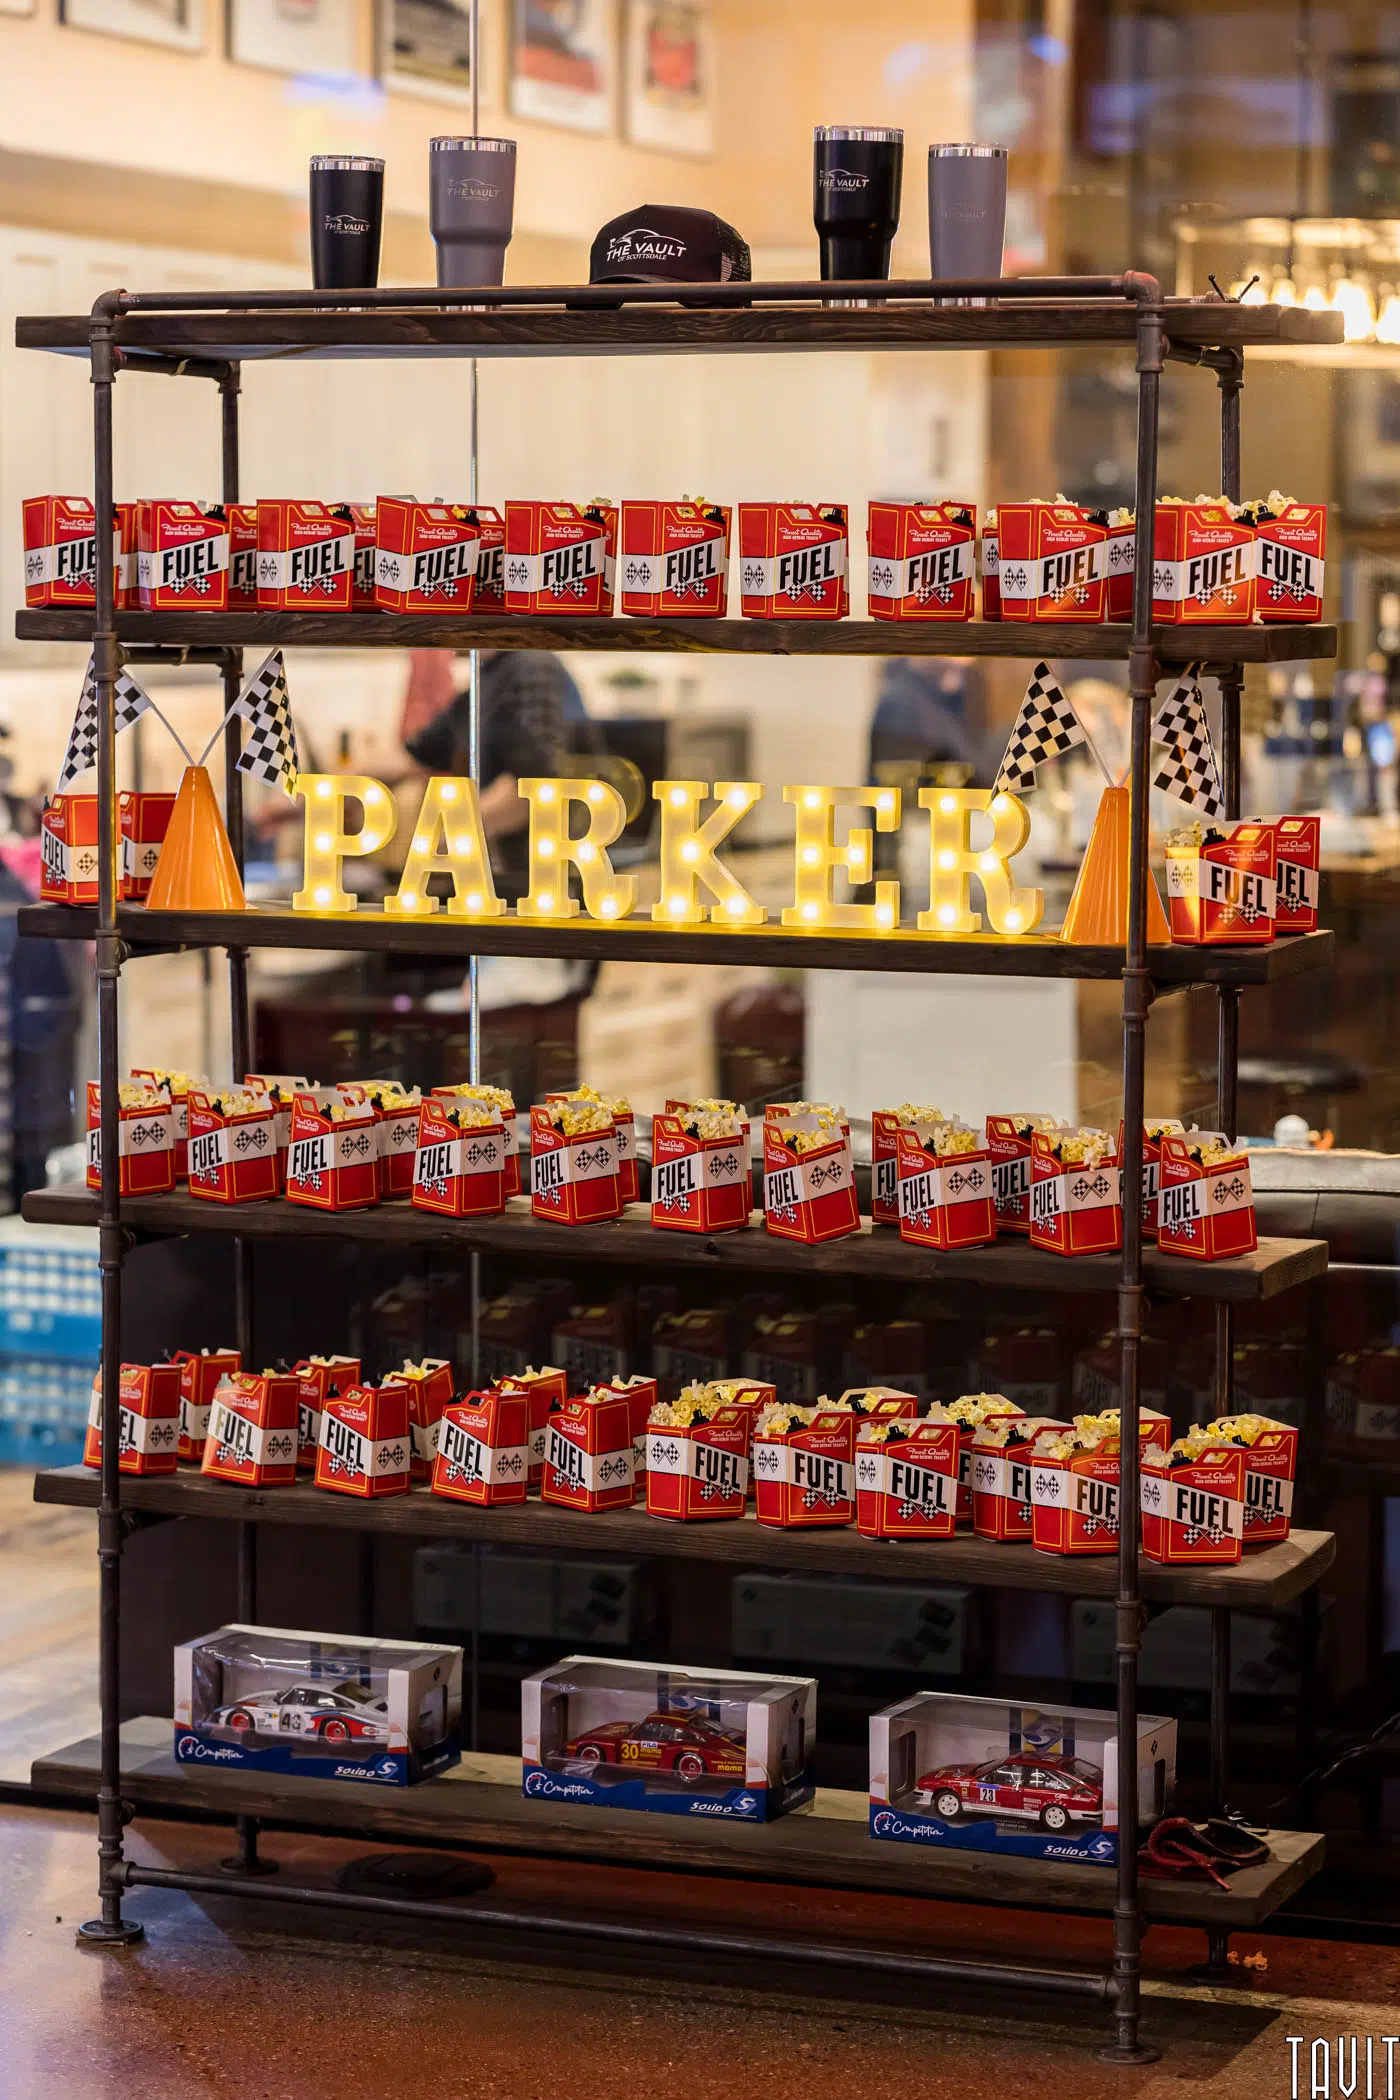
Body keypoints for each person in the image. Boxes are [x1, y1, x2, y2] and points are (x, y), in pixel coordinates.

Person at [402, 648, 590, 901]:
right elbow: (422, 752)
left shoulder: (532, 666)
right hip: (501, 868)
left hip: (532, 876)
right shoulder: (487, 678)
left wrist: (453, 836)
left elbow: (532, 785)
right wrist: (351, 781)